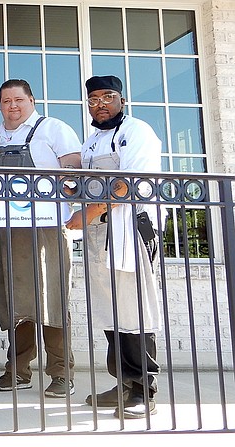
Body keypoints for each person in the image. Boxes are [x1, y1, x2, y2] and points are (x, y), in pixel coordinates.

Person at [0, 79, 81, 398]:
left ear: (31, 100)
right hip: (1, 231)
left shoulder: (54, 130)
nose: (12, 106)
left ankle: (62, 373)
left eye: (18, 100)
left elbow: (74, 176)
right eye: (6, 101)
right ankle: (18, 370)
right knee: (13, 300)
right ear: (0, 105)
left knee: (51, 297)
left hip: (45, 228)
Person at [65, 75, 162, 419]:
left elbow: (129, 183)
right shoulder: (92, 141)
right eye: (93, 100)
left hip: (128, 228)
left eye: (107, 97)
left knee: (134, 307)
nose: (100, 104)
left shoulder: (136, 131)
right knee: (109, 308)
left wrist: (88, 211)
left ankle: (143, 389)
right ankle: (122, 382)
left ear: (122, 99)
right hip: (98, 233)